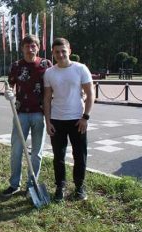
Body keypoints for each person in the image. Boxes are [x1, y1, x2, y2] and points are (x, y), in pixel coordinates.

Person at [43, 37, 94, 202]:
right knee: (58, 156)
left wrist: (85, 117)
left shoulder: (81, 69)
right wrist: (48, 121)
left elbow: (90, 93)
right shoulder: (49, 73)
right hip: (57, 120)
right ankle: (60, 186)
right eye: (57, 52)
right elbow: (47, 98)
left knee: (80, 155)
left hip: (77, 120)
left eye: (63, 51)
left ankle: (79, 186)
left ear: (69, 51)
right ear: (53, 53)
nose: (60, 54)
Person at [3, 35, 52, 197]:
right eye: (27, 46)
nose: (30, 49)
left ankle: (32, 184)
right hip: (21, 114)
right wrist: (8, 93)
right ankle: (14, 184)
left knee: (37, 152)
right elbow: (9, 85)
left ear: (38, 48)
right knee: (16, 150)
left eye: (33, 46)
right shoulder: (16, 66)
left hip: (39, 113)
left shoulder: (46, 64)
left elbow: (53, 87)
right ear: (22, 48)